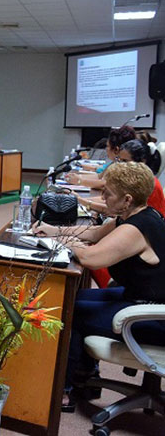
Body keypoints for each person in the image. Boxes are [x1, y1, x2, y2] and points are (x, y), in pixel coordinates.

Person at [32, 162, 165, 412]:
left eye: (108, 193)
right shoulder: (138, 215)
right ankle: (85, 375)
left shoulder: (135, 229)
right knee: (76, 297)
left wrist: (64, 241)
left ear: (127, 199)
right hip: (140, 298)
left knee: (71, 312)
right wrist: (52, 230)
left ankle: (67, 391)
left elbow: (91, 257)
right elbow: (93, 233)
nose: (102, 197)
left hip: (153, 317)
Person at [76, 139, 165, 217]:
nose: (120, 165)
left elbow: (115, 211)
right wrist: (79, 199)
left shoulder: (144, 183)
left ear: (142, 162)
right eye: (120, 160)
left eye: (125, 161)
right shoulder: (131, 178)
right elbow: (111, 201)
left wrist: (82, 201)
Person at [68, 126, 137, 189]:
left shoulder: (126, 166)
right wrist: (76, 177)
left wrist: (80, 181)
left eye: (107, 146)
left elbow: (106, 184)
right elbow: (99, 176)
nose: (106, 149)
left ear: (116, 149)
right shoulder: (115, 163)